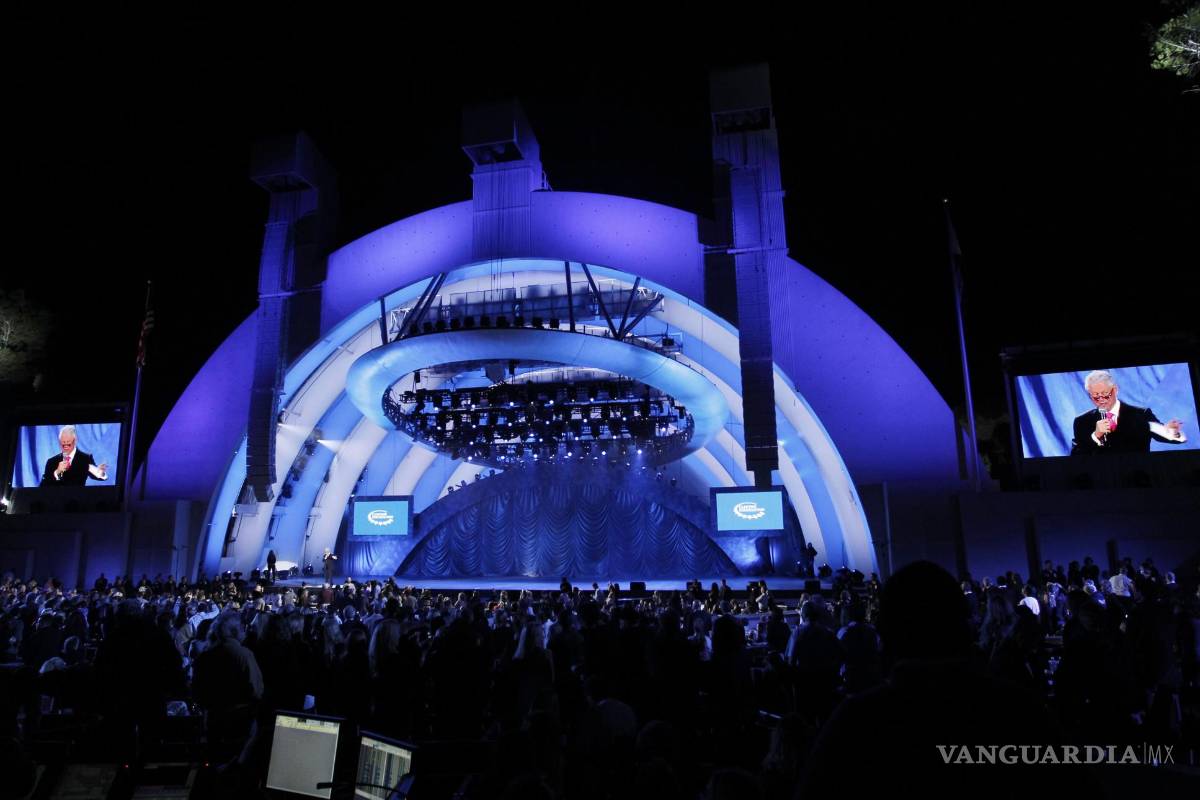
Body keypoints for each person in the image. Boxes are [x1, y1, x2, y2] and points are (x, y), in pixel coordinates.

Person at [1070, 370, 1186, 454]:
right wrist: (1096, 436)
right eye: (1095, 396)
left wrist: (1172, 432)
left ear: (1115, 390)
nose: (1101, 400)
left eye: (1105, 394)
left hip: (1136, 479)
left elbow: (1170, 436)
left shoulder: (1141, 415)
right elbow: (1076, 457)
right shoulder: (1082, 421)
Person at [40, 426, 108, 486]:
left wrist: (100, 473)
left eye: (68, 443)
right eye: (63, 443)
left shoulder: (85, 459)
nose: (65, 446)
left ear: (75, 441)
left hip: (78, 499)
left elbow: (97, 476)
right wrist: (57, 472)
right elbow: (44, 485)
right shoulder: (51, 461)